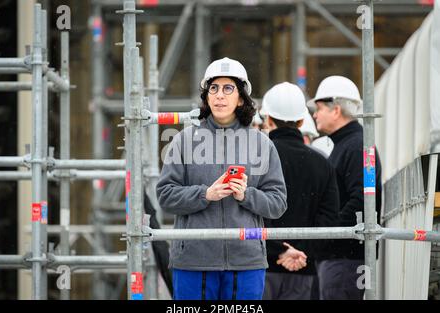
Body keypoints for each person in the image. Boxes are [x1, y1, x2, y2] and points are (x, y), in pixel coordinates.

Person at [156, 57, 288, 300]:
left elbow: (278, 203)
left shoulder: (261, 144)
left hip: (246, 262)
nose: (219, 95)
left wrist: (246, 195)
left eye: (228, 89)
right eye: (213, 88)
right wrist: (205, 194)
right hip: (193, 261)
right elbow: (165, 195)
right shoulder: (184, 141)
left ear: (240, 98)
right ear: (206, 96)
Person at [259, 82, 340, 300]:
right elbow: (329, 220)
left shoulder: (256, 159)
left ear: (267, 119)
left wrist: (279, 250)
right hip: (304, 269)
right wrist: (302, 251)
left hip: (260, 267)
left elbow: (246, 213)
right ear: (302, 121)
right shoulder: (322, 163)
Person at [307, 75, 382, 300]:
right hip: (343, 256)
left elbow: (361, 201)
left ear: (336, 110)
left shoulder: (355, 146)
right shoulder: (350, 145)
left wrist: (329, 232)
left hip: (344, 258)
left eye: (319, 108)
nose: (314, 114)